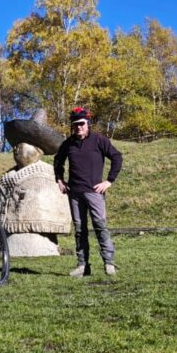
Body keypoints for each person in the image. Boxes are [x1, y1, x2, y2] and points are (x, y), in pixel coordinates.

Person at [53, 107, 122, 276]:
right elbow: (58, 161)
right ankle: (83, 266)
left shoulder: (99, 140)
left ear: (87, 123)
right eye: (75, 124)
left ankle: (109, 263)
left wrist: (109, 181)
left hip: (94, 192)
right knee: (79, 230)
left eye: (81, 124)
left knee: (100, 226)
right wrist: (59, 180)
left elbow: (117, 157)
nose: (78, 127)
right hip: (75, 193)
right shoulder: (68, 144)